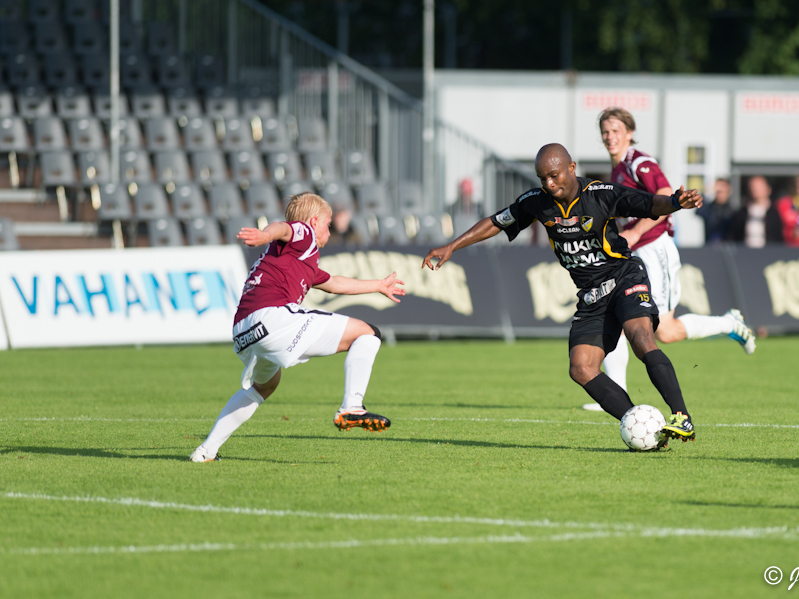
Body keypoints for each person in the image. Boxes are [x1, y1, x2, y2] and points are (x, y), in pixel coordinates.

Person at [423, 143, 704, 444]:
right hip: (592, 294)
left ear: (571, 168)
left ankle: (681, 417)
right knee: (581, 367)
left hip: (623, 276)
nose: (549, 184)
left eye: (554, 175)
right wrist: (452, 245)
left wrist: (675, 202)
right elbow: (496, 222)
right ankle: (640, 424)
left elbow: (647, 204)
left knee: (641, 338)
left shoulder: (600, 193)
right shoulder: (537, 202)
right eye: (542, 178)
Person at [190, 192, 405, 462]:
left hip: (244, 331)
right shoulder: (304, 233)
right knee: (368, 333)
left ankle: (205, 451)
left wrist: (377, 285)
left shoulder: (298, 257)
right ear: (314, 222)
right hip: (272, 318)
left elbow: (334, 282)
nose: (328, 230)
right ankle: (352, 407)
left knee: (265, 386)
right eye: (327, 224)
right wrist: (265, 234)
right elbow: (282, 227)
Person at [585, 108, 755, 412]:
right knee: (617, 318)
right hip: (633, 254)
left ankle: (729, 323)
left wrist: (636, 231)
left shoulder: (639, 161)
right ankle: (615, 392)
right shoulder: (616, 170)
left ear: (629, 132)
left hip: (655, 248)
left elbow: (664, 195)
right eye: (605, 131)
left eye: (615, 130)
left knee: (666, 331)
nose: (609, 136)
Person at [727, 175, 784, 247]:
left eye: (758, 187)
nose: (755, 190)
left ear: (768, 189)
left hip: (769, 254)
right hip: (746, 254)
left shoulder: (774, 213)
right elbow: (734, 236)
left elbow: (779, 237)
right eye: (752, 187)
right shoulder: (741, 213)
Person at [697, 178, 736, 243]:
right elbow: (699, 211)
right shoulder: (710, 208)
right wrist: (706, 193)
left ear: (728, 191)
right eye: (717, 191)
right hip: (710, 247)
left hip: (728, 248)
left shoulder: (733, 211)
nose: (719, 194)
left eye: (721, 191)